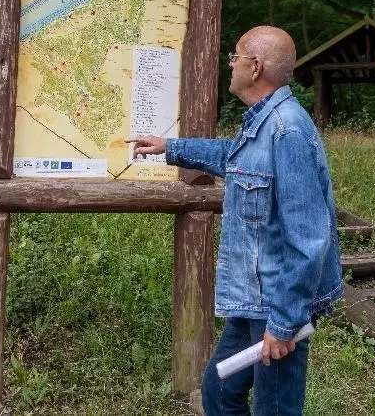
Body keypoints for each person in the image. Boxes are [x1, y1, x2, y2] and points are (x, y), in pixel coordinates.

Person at [129, 25, 342, 416]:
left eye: (236, 56)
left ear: (255, 67)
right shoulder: (263, 121)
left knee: (273, 409)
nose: (231, 64)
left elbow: (310, 239)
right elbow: (235, 157)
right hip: (253, 298)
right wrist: (170, 147)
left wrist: (284, 323)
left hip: (276, 302)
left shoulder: (287, 130)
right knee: (219, 391)